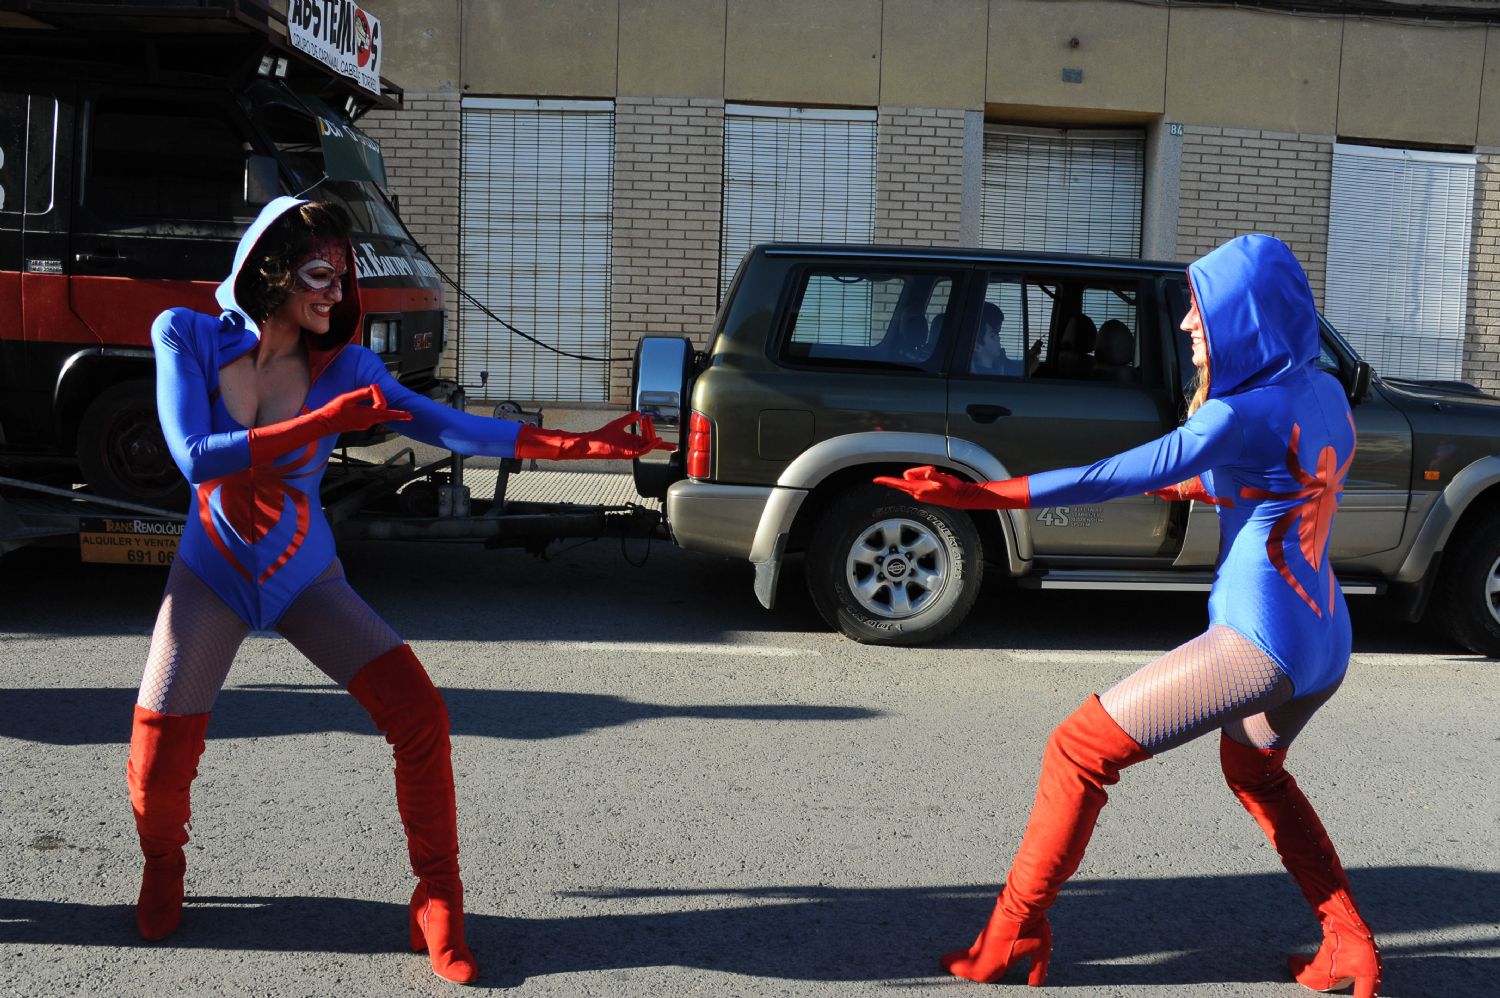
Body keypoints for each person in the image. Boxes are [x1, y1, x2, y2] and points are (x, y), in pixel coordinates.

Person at [127, 196, 668, 983]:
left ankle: (438, 895)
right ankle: (163, 863)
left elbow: (450, 428)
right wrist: (325, 423)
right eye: (322, 274)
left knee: (421, 716)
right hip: (210, 573)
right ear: (270, 269)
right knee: (156, 757)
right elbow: (197, 457)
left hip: (303, 574)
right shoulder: (187, 334)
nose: (337, 294)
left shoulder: (344, 367)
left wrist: (582, 441)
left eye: (343, 279)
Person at [876, 234, 1381, 997]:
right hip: (1328, 638)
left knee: (1077, 749)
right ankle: (1350, 943)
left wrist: (976, 495)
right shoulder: (1320, 390)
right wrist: (1190, 488)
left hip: (1261, 638)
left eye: (1201, 316)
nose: (1184, 328)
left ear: (1245, 321)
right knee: (1255, 772)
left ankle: (1015, 931)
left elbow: (1106, 476)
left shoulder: (1231, 416)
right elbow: (1282, 479)